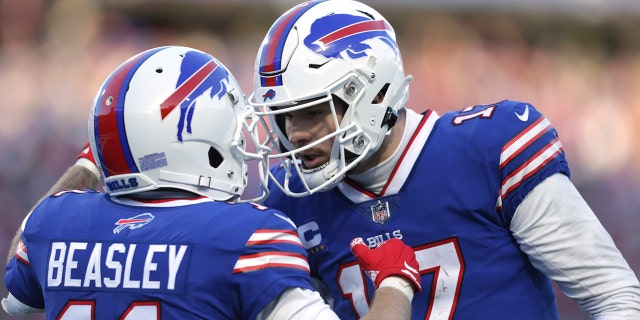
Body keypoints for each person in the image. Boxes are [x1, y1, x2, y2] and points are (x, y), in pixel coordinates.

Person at [248, 0, 640, 319]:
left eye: (313, 111)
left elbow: (615, 297)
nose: (295, 133)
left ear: (374, 94)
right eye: (284, 117)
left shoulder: (490, 148)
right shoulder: (288, 203)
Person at [2, 45, 422, 319]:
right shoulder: (245, 234)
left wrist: (91, 164)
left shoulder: (53, 222)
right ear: (194, 137)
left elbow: (15, 296)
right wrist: (395, 282)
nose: (243, 142)